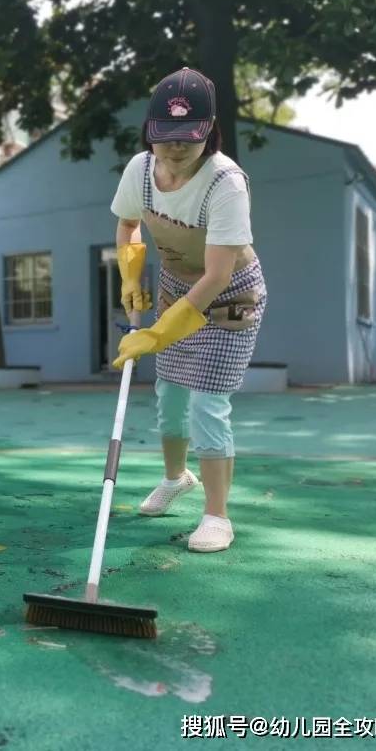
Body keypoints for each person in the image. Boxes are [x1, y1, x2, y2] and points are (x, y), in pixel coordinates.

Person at [110, 66, 267, 553]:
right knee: (171, 396)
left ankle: (217, 516)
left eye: (189, 138)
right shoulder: (140, 170)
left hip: (230, 298)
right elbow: (128, 226)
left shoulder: (226, 183)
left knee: (206, 403)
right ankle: (177, 478)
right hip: (177, 287)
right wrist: (131, 275)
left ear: (209, 132)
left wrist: (156, 335)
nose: (176, 149)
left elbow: (218, 275)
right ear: (151, 132)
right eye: (166, 137)